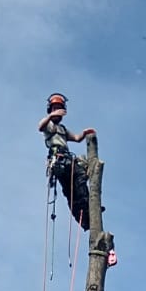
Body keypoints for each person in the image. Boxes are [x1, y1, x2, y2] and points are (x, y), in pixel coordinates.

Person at [38, 92, 95, 229]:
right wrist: (50, 116)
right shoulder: (48, 125)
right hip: (58, 160)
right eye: (54, 108)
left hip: (68, 159)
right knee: (70, 192)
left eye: (59, 108)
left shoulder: (62, 129)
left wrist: (85, 133)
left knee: (80, 181)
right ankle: (82, 218)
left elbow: (76, 138)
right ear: (50, 110)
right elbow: (40, 126)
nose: (57, 111)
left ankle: (89, 210)